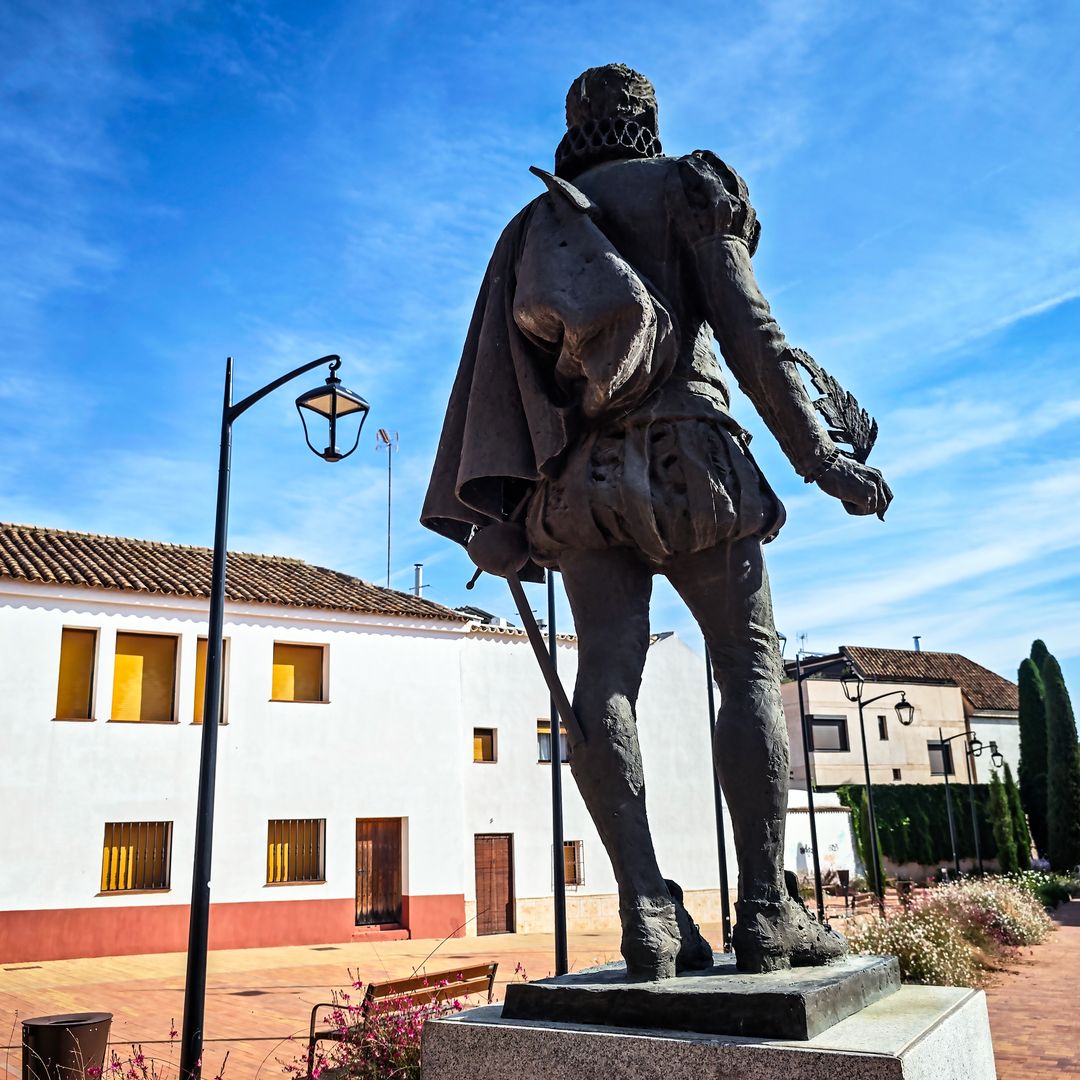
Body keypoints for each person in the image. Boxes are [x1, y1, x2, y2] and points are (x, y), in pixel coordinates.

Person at [422, 63, 892, 978]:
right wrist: (821, 459)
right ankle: (766, 911)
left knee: (604, 675)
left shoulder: (533, 227)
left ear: (575, 126)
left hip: (583, 484)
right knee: (747, 666)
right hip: (693, 462)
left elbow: (500, 385)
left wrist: (503, 511)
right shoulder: (688, 186)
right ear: (646, 119)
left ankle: (646, 912)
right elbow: (751, 333)